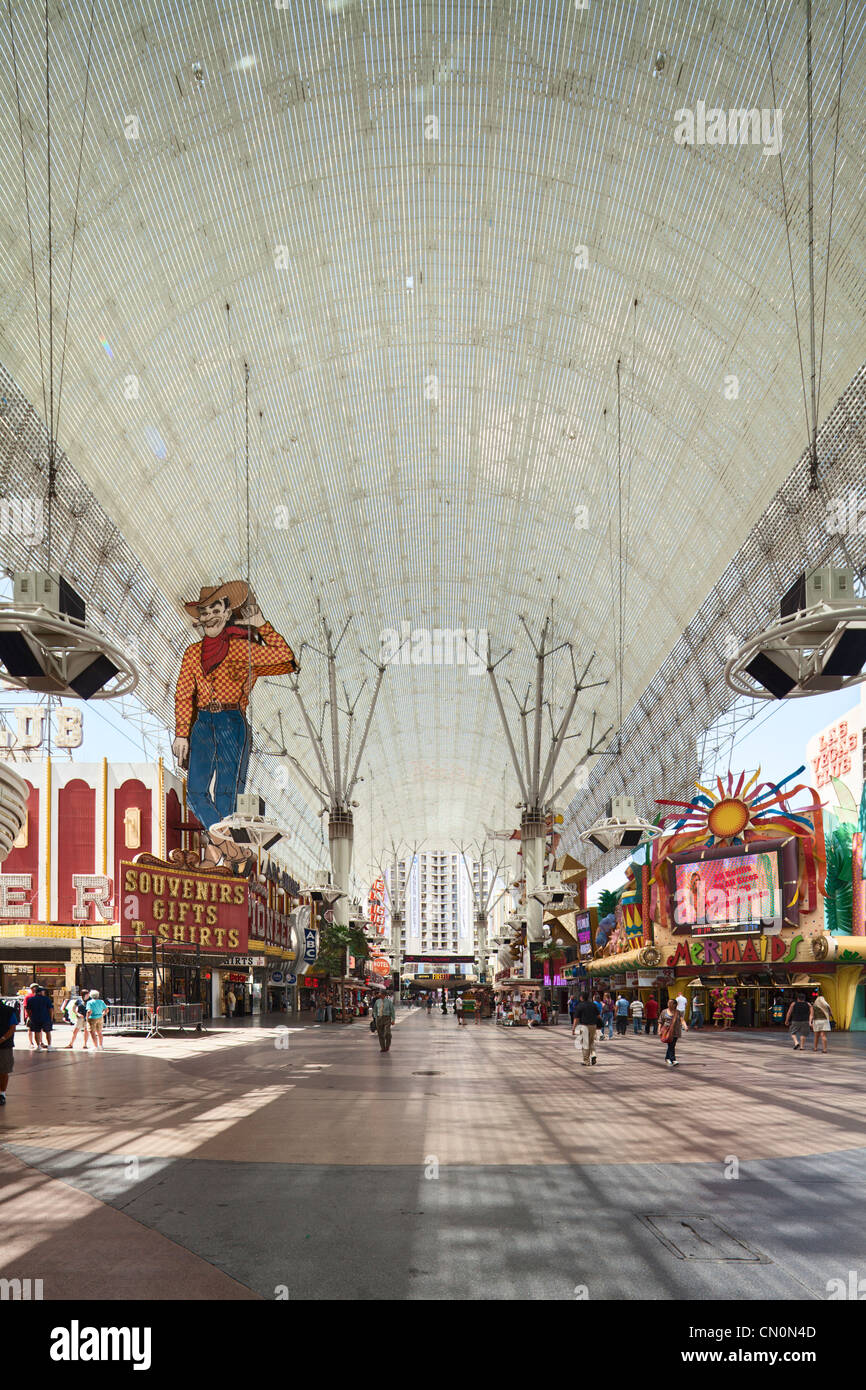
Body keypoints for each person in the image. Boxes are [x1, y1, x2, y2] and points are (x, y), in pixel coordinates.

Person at [172, 581, 297, 874]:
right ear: (199, 617)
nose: (210, 616)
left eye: (216, 609)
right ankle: (231, 850)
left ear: (228, 613)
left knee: (228, 795)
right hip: (202, 724)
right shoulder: (192, 653)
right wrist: (181, 732)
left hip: (231, 722)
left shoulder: (243, 648)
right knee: (196, 793)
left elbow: (285, 659)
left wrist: (260, 623)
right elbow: (183, 692)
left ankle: (220, 855)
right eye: (204, 611)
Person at [574, 994, 601, 1066]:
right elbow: (598, 1016)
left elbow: (576, 1018)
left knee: (585, 1043)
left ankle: (586, 1061)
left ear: (581, 997)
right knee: (591, 1042)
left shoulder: (580, 1005)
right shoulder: (593, 1005)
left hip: (584, 1026)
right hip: (593, 1026)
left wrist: (574, 1028)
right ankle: (593, 1055)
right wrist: (599, 1024)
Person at [0, 996, 18, 1105]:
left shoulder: (8, 1011)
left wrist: (2, 1039)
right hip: (5, 1045)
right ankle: (2, 1093)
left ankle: (2, 1093)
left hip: (4, 1046)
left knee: (3, 1070)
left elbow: (12, 1027)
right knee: (3, 1071)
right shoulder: (9, 1010)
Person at [660, 997, 686, 1066]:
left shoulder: (678, 1012)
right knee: (671, 1045)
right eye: (668, 1003)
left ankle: (667, 1058)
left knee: (672, 1045)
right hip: (667, 1031)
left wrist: (685, 1026)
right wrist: (659, 1030)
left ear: (675, 1004)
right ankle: (673, 1059)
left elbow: (682, 1020)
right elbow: (660, 1021)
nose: (668, 1004)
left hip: (676, 1031)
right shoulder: (664, 1011)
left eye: (670, 1003)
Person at [22, 982, 39, 1049]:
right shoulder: (28, 996)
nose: (35, 989)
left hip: (38, 1014)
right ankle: (31, 1043)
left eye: (36, 987)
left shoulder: (39, 996)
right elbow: (26, 1006)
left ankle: (40, 1042)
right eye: (34, 987)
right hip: (30, 1015)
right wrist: (29, 1015)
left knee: (39, 1029)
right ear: (31, 989)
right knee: (30, 1029)